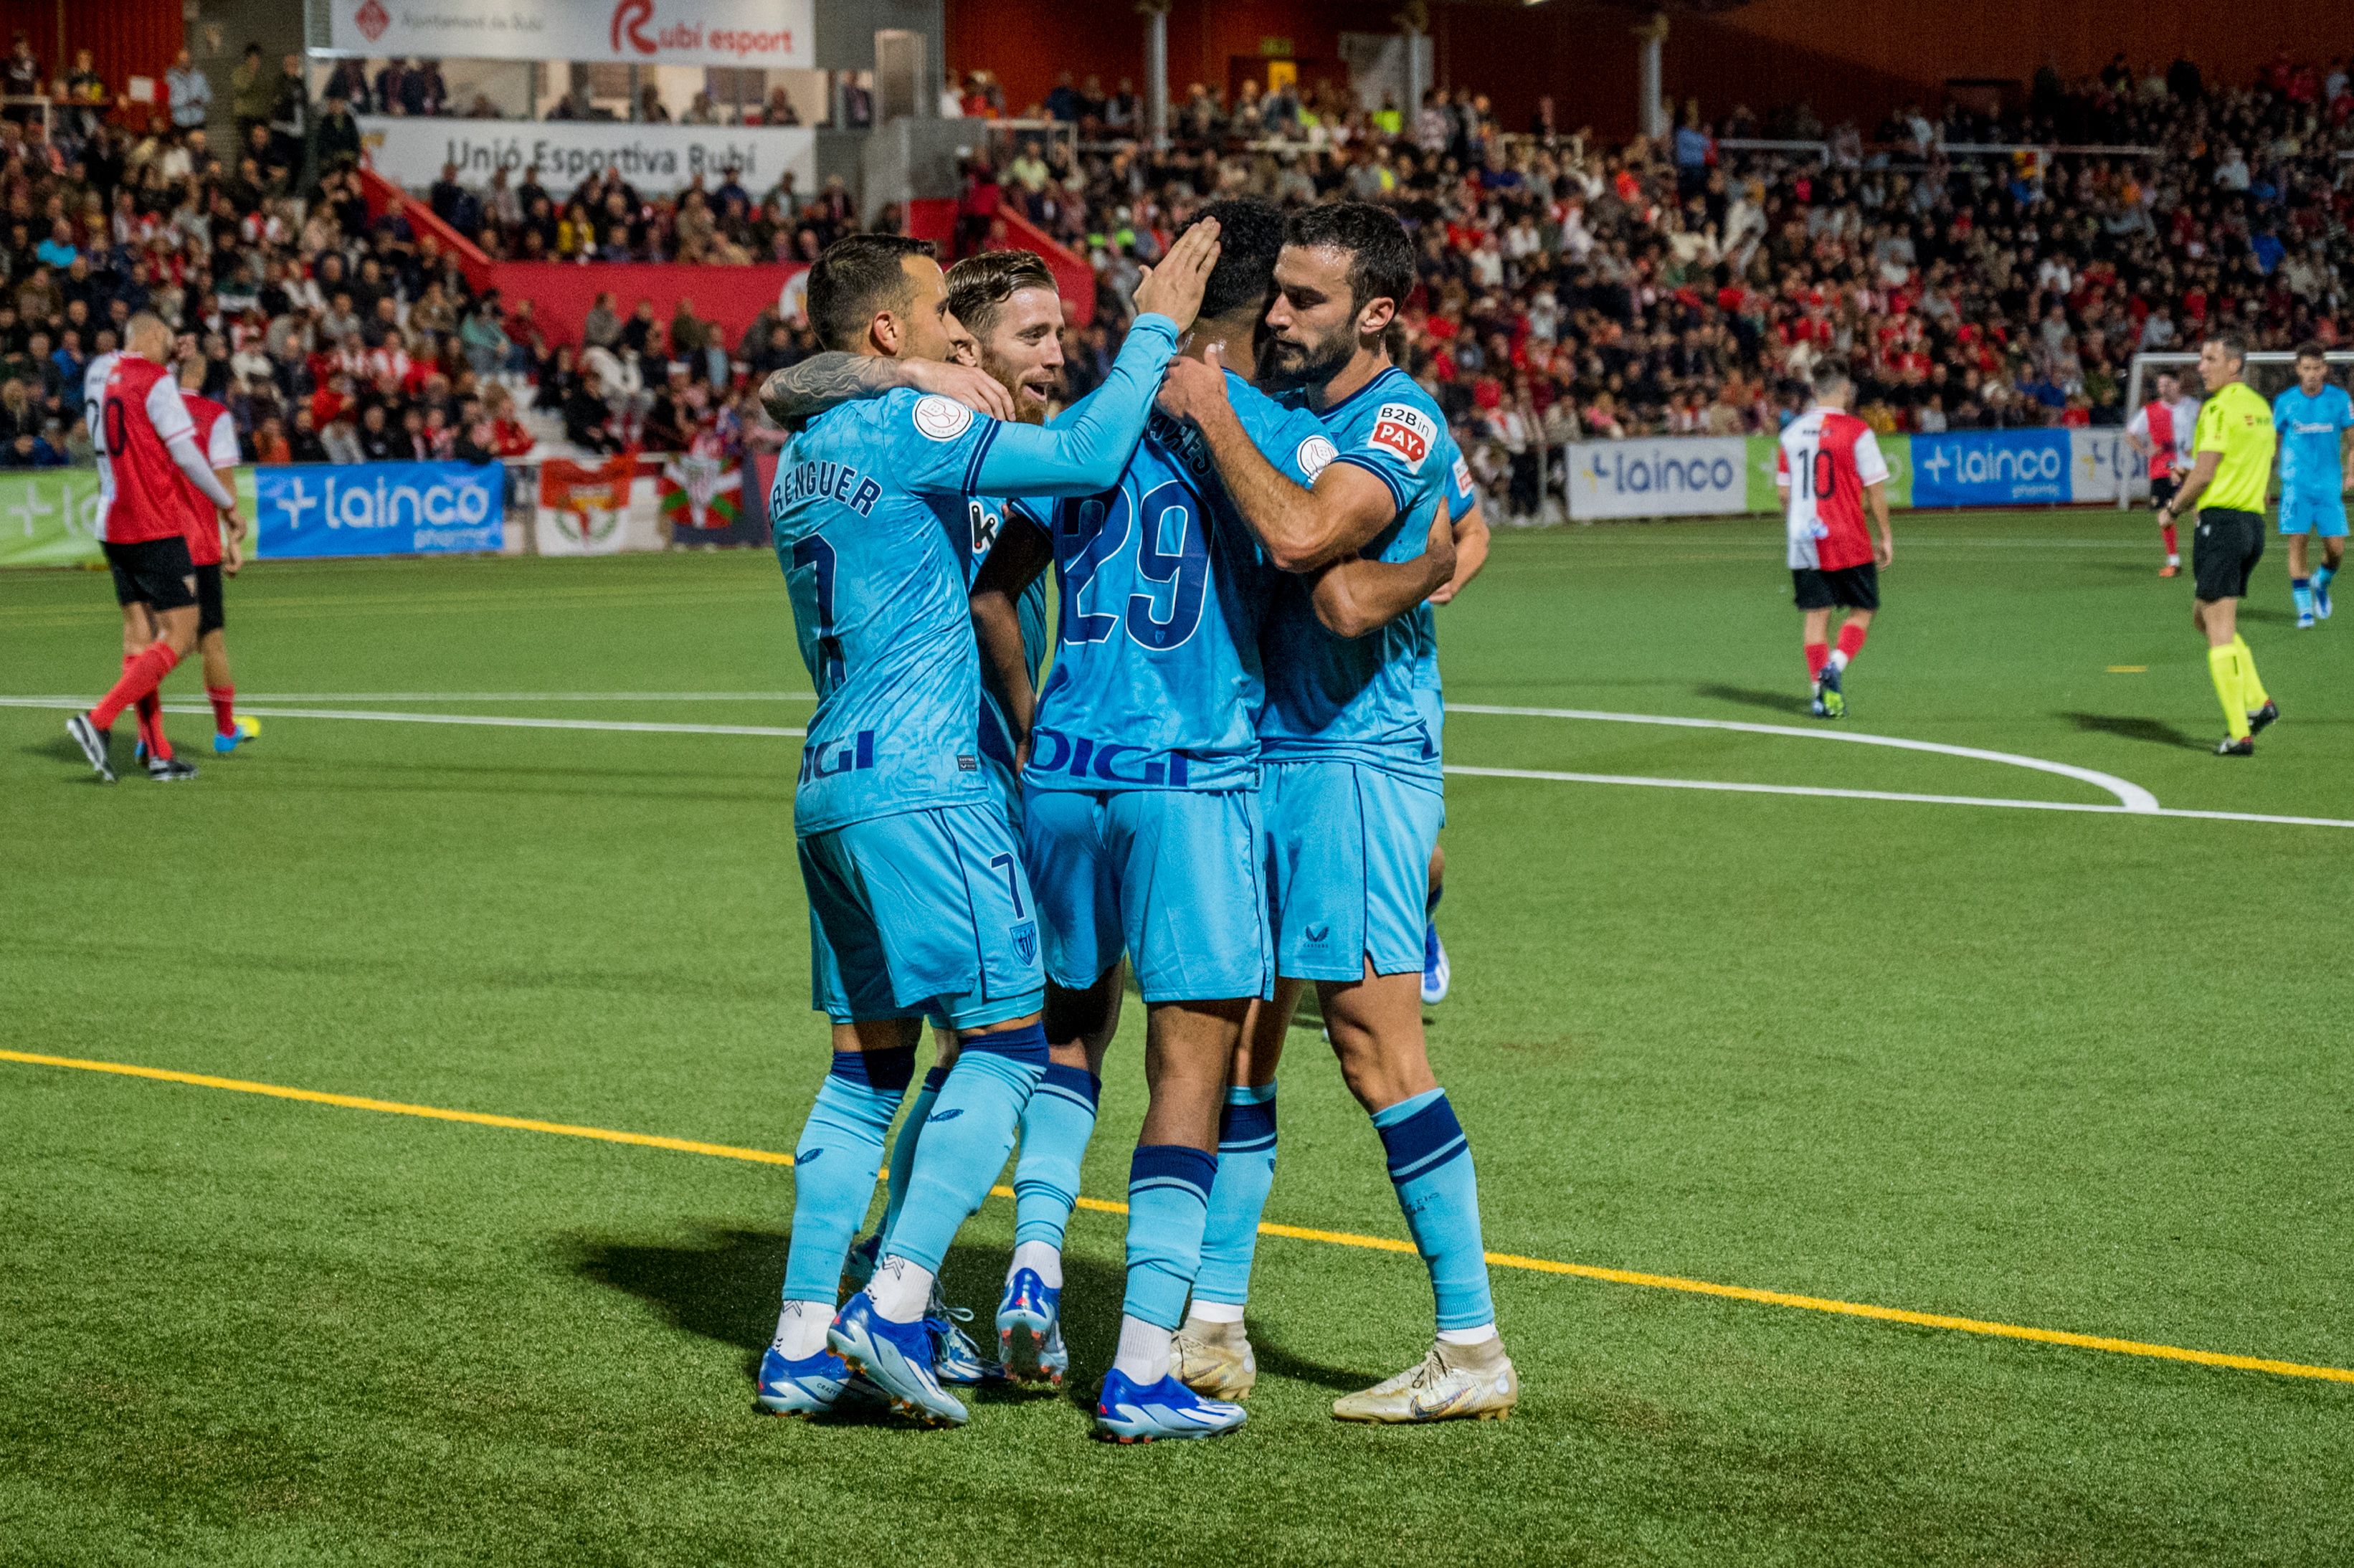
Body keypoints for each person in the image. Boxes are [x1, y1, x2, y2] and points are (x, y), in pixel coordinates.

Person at [749, 223, 1217, 1429]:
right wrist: (1155, 321)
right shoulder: (917, 424)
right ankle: (893, 1305)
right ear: (890, 329)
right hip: (925, 781)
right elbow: (1081, 450)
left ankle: (802, 1334)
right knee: (1011, 1046)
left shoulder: (802, 453)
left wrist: (897, 373)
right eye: (936, 318)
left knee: (866, 1071)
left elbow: (793, 381)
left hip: (828, 785)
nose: (960, 335)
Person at [1149, 201, 1516, 1425]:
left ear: (1375, 313)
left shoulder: (1394, 415)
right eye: (1277, 294)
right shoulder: (1297, 412)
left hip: (1351, 762)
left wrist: (1205, 408)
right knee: (1246, 1043)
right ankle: (1210, 1324)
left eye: (1306, 299)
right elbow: (1439, 556)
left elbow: (1311, 538)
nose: (1278, 314)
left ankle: (1469, 1344)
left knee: (1373, 1052)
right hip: (1272, 756)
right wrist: (1416, 572)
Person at [65, 315, 244, 785]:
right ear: (151, 336)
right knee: (182, 633)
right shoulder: (157, 383)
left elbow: (133, 385)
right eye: (167, 334)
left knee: (139, 635)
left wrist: (164, 361)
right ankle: (98, 721)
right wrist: (227, 506)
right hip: (152, 522)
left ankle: (160, 752)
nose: (172, 341)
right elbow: (186, 455)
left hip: (111, 518)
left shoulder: (100, 369)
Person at [2158, 335, 2279, 756]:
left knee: (2219, 630)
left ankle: (2238, 732)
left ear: (2234, 366)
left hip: (2222, 526)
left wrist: (2173, 508)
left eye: (2211, 359)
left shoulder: (2217, 408)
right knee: (2204, 618)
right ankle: (2259, 703)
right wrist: (2195, 477)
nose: (2201, 366)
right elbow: (2249, 468)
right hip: (2252, 526)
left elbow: (2206, 473)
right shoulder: (2260, 409)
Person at [1777, 363, 1894, 718]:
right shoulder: (1858, 431)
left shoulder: (1792, 433)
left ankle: (1821, 695)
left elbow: (1784, 494)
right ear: (1846, 391)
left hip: (1804, 539)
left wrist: (1798, 525)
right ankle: (1835, 667)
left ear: (1813, 391)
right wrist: (1886, 536)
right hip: (1847, 535)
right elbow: (1875, 491)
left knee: (1816, 617)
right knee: (1864, 609)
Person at [172, 356, 260, 756]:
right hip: (199, 544)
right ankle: (225, 732)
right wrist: (234, 541)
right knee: (211, 640)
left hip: (153, 540)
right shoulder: (214, 416)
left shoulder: (150, 413)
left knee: (158, 639)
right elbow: (223, 481)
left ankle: (149, 737)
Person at [2269, 342, 2351, 627]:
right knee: (2298, 545)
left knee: (2336, 550)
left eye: (2317, 368)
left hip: (2329, 488)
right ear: (2298, 370)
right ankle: (2304, 610)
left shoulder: (2340, 400)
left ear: (2325, 369)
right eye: (2307, 369)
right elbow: (2273, 443)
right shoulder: (2285, 402)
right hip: (2295, 486)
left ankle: (2321, 582)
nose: (2312, 374)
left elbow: (2353, 442)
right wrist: (2265, 481)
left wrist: (2352, 474)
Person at [2127, 369, 2201, 577]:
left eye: (2167, 383)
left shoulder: (2195, 407)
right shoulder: (2151, 411)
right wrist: (2145, 450)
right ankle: (2174, 562)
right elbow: (2131, 433)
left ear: (2178, 384)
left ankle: (2205, 555)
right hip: (2164, 469)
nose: (2163, 388)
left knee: (2198, 512)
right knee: (2167, 515)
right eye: (2160, 385)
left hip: (2190, 468)